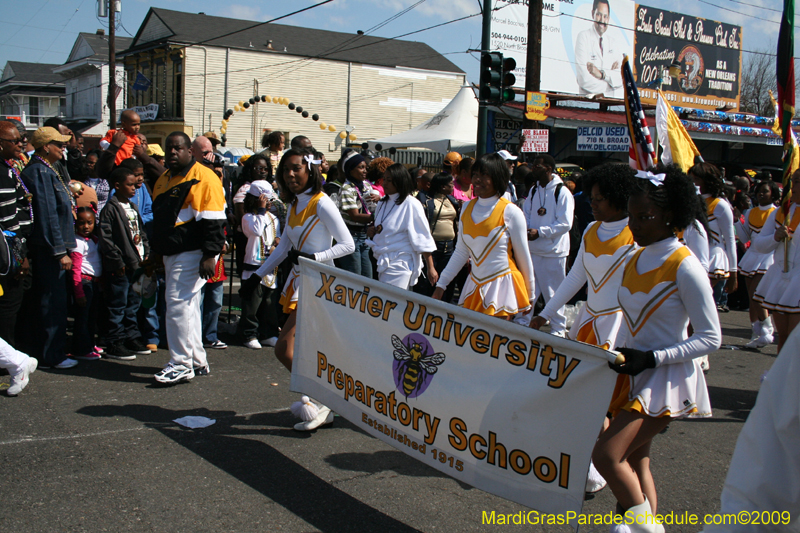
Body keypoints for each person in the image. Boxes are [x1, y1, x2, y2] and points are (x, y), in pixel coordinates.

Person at [594, 166, 721, 531]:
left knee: (606, 455)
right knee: (635, 463)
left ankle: (648, 529)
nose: (635, 224)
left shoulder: (685, 265)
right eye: (632, 216)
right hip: (632, 375)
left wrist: (652, 357)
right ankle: (631, 524)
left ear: (670, 215)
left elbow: (711, 338)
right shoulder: (634, 258)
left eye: (645, 216)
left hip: (665, 379)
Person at [530, 163, 637, 495]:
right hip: (587, 323)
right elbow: (575, 278)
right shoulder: (591, 229)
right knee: (584, 400)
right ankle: (591, 466)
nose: (593, 203)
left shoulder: (637, 235)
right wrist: (544, 313)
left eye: (600, 198)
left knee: (605, 401)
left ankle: (604, 466)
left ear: (619, 200)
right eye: (591, 197)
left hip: (618, 328)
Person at [242, 149, 354, 430]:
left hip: (318, 284)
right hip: (298, 281)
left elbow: (347, 245)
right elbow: (283, 248)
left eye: (296, 169)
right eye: (286, 170)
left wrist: (311, 258)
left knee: (283, 348)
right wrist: (257, 276)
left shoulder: (321, 202)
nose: (290, 175)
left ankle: (322, 399)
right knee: (300, 350)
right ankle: (320, 401)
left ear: (310, 170)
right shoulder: (292, 204)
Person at [150, 132, 227, 384]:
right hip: (173, 252)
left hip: (194, 252)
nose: (172, 152)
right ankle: (195, 360)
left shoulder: (204, 177)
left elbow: (214, 220)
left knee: (177, 304)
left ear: (190, 151)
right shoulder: (164, 178)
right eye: (168, 148)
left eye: (178, 148)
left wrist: (210, 254)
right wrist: (156, 252)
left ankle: (181, 363)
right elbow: (161, 222)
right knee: (188, 306)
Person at [432, 153, 534, 318]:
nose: (477, 180)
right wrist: (441, 285)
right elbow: (461, 252)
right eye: (475, 175)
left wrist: (530, 294)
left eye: (484, 175)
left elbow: (523, 256)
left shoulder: (511, 212)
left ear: (497, 178)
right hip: (474, 286)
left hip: (503, 287)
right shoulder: (466, 208)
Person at [21, 127, 78, 369]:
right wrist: (59, 251)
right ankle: (50, 355)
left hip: (55, 246)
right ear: (45, 146)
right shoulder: (39, 172)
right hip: (49, 249)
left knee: (54, 300)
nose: (63, 147)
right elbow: (47, 216)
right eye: (58, 144)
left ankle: (52, 352)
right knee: (52, 301)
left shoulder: (49, 169)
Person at [516, 154, 574, 335]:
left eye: (538, 166)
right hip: (533, 250)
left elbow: (565, 224)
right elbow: (526, 214)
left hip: (553, 252)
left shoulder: (561, 192)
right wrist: (526, 228)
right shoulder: (534, 190)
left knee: (554, 294)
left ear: (548, 168)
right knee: (528, 290)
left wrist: (540, 232)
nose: (534, 168)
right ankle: (521, 323)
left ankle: (558, 329)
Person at [98, 167, 150, 360]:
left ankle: (131, 337)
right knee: (117, 305)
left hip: (137, 265)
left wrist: (146, 254)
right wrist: (117, 261)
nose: (134, 188)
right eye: (129, 185)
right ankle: (114, 341)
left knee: (133, 304)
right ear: (117, 185)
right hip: (121, 267)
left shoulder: (133, 207)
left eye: (135, 184)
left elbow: (141, 233)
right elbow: (107, 239)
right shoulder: (110, 209)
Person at [751, 170, 800, 352]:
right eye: (792, 181)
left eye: (797, 182)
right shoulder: (781, 213)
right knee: (785, 337)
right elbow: (759, 245)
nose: (792, 187)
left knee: (796, 339)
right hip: (781, 278)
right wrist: (776, 237)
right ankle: (781, 379)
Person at [367, 163, 436, 289]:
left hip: (401, 263)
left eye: (389, 180)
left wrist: (430, 267)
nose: (384, 184)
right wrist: (373, 231)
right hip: (383, 260)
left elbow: (422, 236)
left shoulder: (411, 204)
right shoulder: (382, 203)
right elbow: (384, 228)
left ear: (399, 181)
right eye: (384, 179)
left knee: (393, 302)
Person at [735, 179, 779, 349]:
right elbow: (745, 238)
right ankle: (756, 332)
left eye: (765, 191)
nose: (761, 194)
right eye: (759, 191)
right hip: (752, 255)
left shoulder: (776, 212)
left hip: (768, 256)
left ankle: (768, 328)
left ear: (773, 194)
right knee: (751, 296)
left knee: (757, 293)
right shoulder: (750, 212)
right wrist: (738, 221)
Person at [0, 121, 33, 346]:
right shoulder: (2, 173)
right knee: (8, 306)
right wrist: (21, 257)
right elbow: (8, 220)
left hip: (12, 249)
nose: (20, 144)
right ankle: (7, 359)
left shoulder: (8, 167)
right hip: (9, 255)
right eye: (14, 141)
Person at [238, 181, 281, 349]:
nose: (269, 203)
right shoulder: (248, 217)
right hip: (253, 266)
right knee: (252, 304)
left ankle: (268, 333)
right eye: (265, 200)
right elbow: (256, 231)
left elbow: (276, 235)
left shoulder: (273, 218)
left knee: (269, 303)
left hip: (270, 265)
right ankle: (249, 334)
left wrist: (277, 242)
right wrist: (261, 210)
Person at [414, 172, 461, 300]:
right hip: (433, 247)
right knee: (429, 283)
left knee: (447, 283)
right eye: (451, 184)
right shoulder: (426, 201)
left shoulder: (452, 201)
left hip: (450, 247)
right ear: (442, 187)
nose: (453, 187)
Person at [338, 150, 379, 278]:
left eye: (366, 167)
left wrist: (378, 199)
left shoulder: (366, 185)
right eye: (361, 167)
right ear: (350, 170)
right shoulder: (346, 188)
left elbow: (374, 204)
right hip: (351, 235)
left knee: (367, 276)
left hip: (365, 235)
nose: (365, 171)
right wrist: (378, 217)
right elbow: (354, 216)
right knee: (355, 277)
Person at [70, 206, 103, 361]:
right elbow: (75, 269)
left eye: (89, 222)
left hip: (94, 283)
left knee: (92, 316)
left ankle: (90, 344)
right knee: (82, 318)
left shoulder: (93, 240)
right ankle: (81, 348)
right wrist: (79, 293)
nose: (86, 226)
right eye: (82, 223)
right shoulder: (77, 243)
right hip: (84, 282)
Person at [574, 0, 624, 97]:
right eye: (599, 15)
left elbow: (621, 79)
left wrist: (602, 75)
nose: (602, 20)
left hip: (608, 104)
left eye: (605, 16)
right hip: (586, 104)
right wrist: (610, 85)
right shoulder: (583, 37)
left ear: (609, 18)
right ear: (593, 14)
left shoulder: (612, 43)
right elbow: (584, 79)